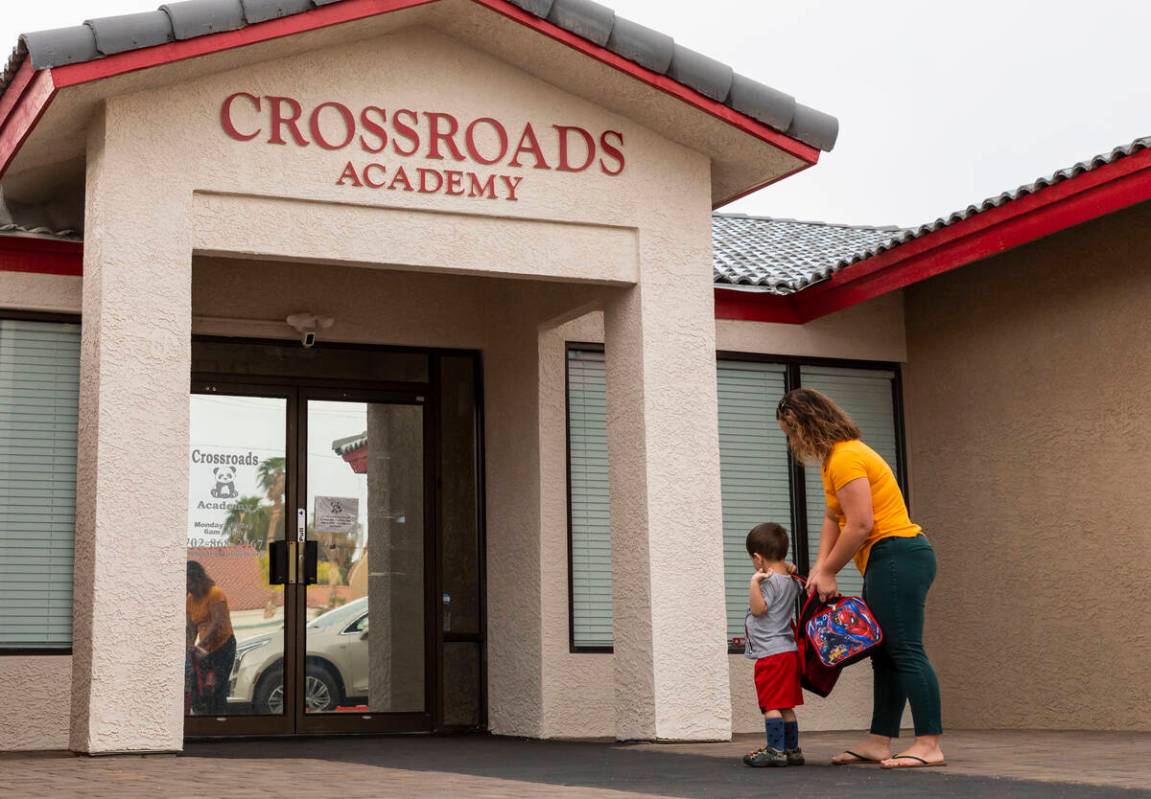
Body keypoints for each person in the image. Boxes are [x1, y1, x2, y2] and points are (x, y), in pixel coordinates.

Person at [776, 388, 945, 769]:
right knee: (886, 653)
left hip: (898, 553)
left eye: (790, 431)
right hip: (885, 558)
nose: (790, 441)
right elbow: (833, 519)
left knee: (905, 650)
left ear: (806, 424)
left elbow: (861, 523)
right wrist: (820, 568)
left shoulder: (848, 456)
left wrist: (832, 570)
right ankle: (878, 740)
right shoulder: (833, 459)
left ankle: (929, 742)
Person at [741, 523, 804, 768]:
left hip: (770, 653)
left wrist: (754, 583)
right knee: (785, 703)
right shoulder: (792, 580)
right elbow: (788, 574)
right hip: (788, 651)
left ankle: (775, 750)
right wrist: (787, 567)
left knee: (770, 704)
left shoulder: (766, 582)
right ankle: (792, 749)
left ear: (758, 558)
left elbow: (759, 610)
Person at [186, 560, 237, 715]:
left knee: (216, 689)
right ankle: (205, 725)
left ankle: (219, 726)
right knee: (201, 690)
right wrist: (189, 645)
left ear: (197, 578)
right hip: (205, 649)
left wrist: (200, 646)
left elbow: (218, 624)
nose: (188, 588)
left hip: (223, 646)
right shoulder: (189, 600)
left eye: (190, 584)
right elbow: (191, 628)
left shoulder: (215, 593)